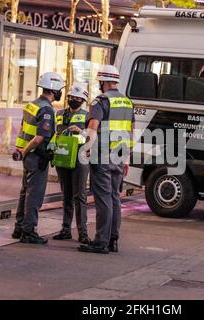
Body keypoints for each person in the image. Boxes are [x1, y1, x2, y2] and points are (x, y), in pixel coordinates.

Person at [78, 65, 134, 254]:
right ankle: (113, 240)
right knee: (114, 197)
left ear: (102, 81)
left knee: (103, 199)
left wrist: (86, 148)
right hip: (119, 155)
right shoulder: (127, 102)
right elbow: (130, 131)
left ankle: (101, 241)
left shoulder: (100, 101)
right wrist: (126, 159)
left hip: (102, 155)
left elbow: (93, 128)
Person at [12, 72, 64, 244]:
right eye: (60, 89)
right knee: (34, 195)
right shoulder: (46, 110)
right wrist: (27, 151)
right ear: (54, 89)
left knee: (25, 192)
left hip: (28, 157)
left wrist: (21, 151)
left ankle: (19, 227)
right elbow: (39, 138)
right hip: (37, 157)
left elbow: (23, 130)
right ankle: (29, 231)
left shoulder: (31, 105)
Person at [52, 83, 91, 244]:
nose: (73, 100)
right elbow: (54, 134)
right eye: (71, 97)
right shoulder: (59, 114)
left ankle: (83, 232)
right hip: (63, 158)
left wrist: (80, 131)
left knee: (80, 196)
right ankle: (66, 229)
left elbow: (92, 136)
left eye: (77, 98)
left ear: (83, 100)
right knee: (66, 195)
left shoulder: (87, 116)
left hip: (80, 159)